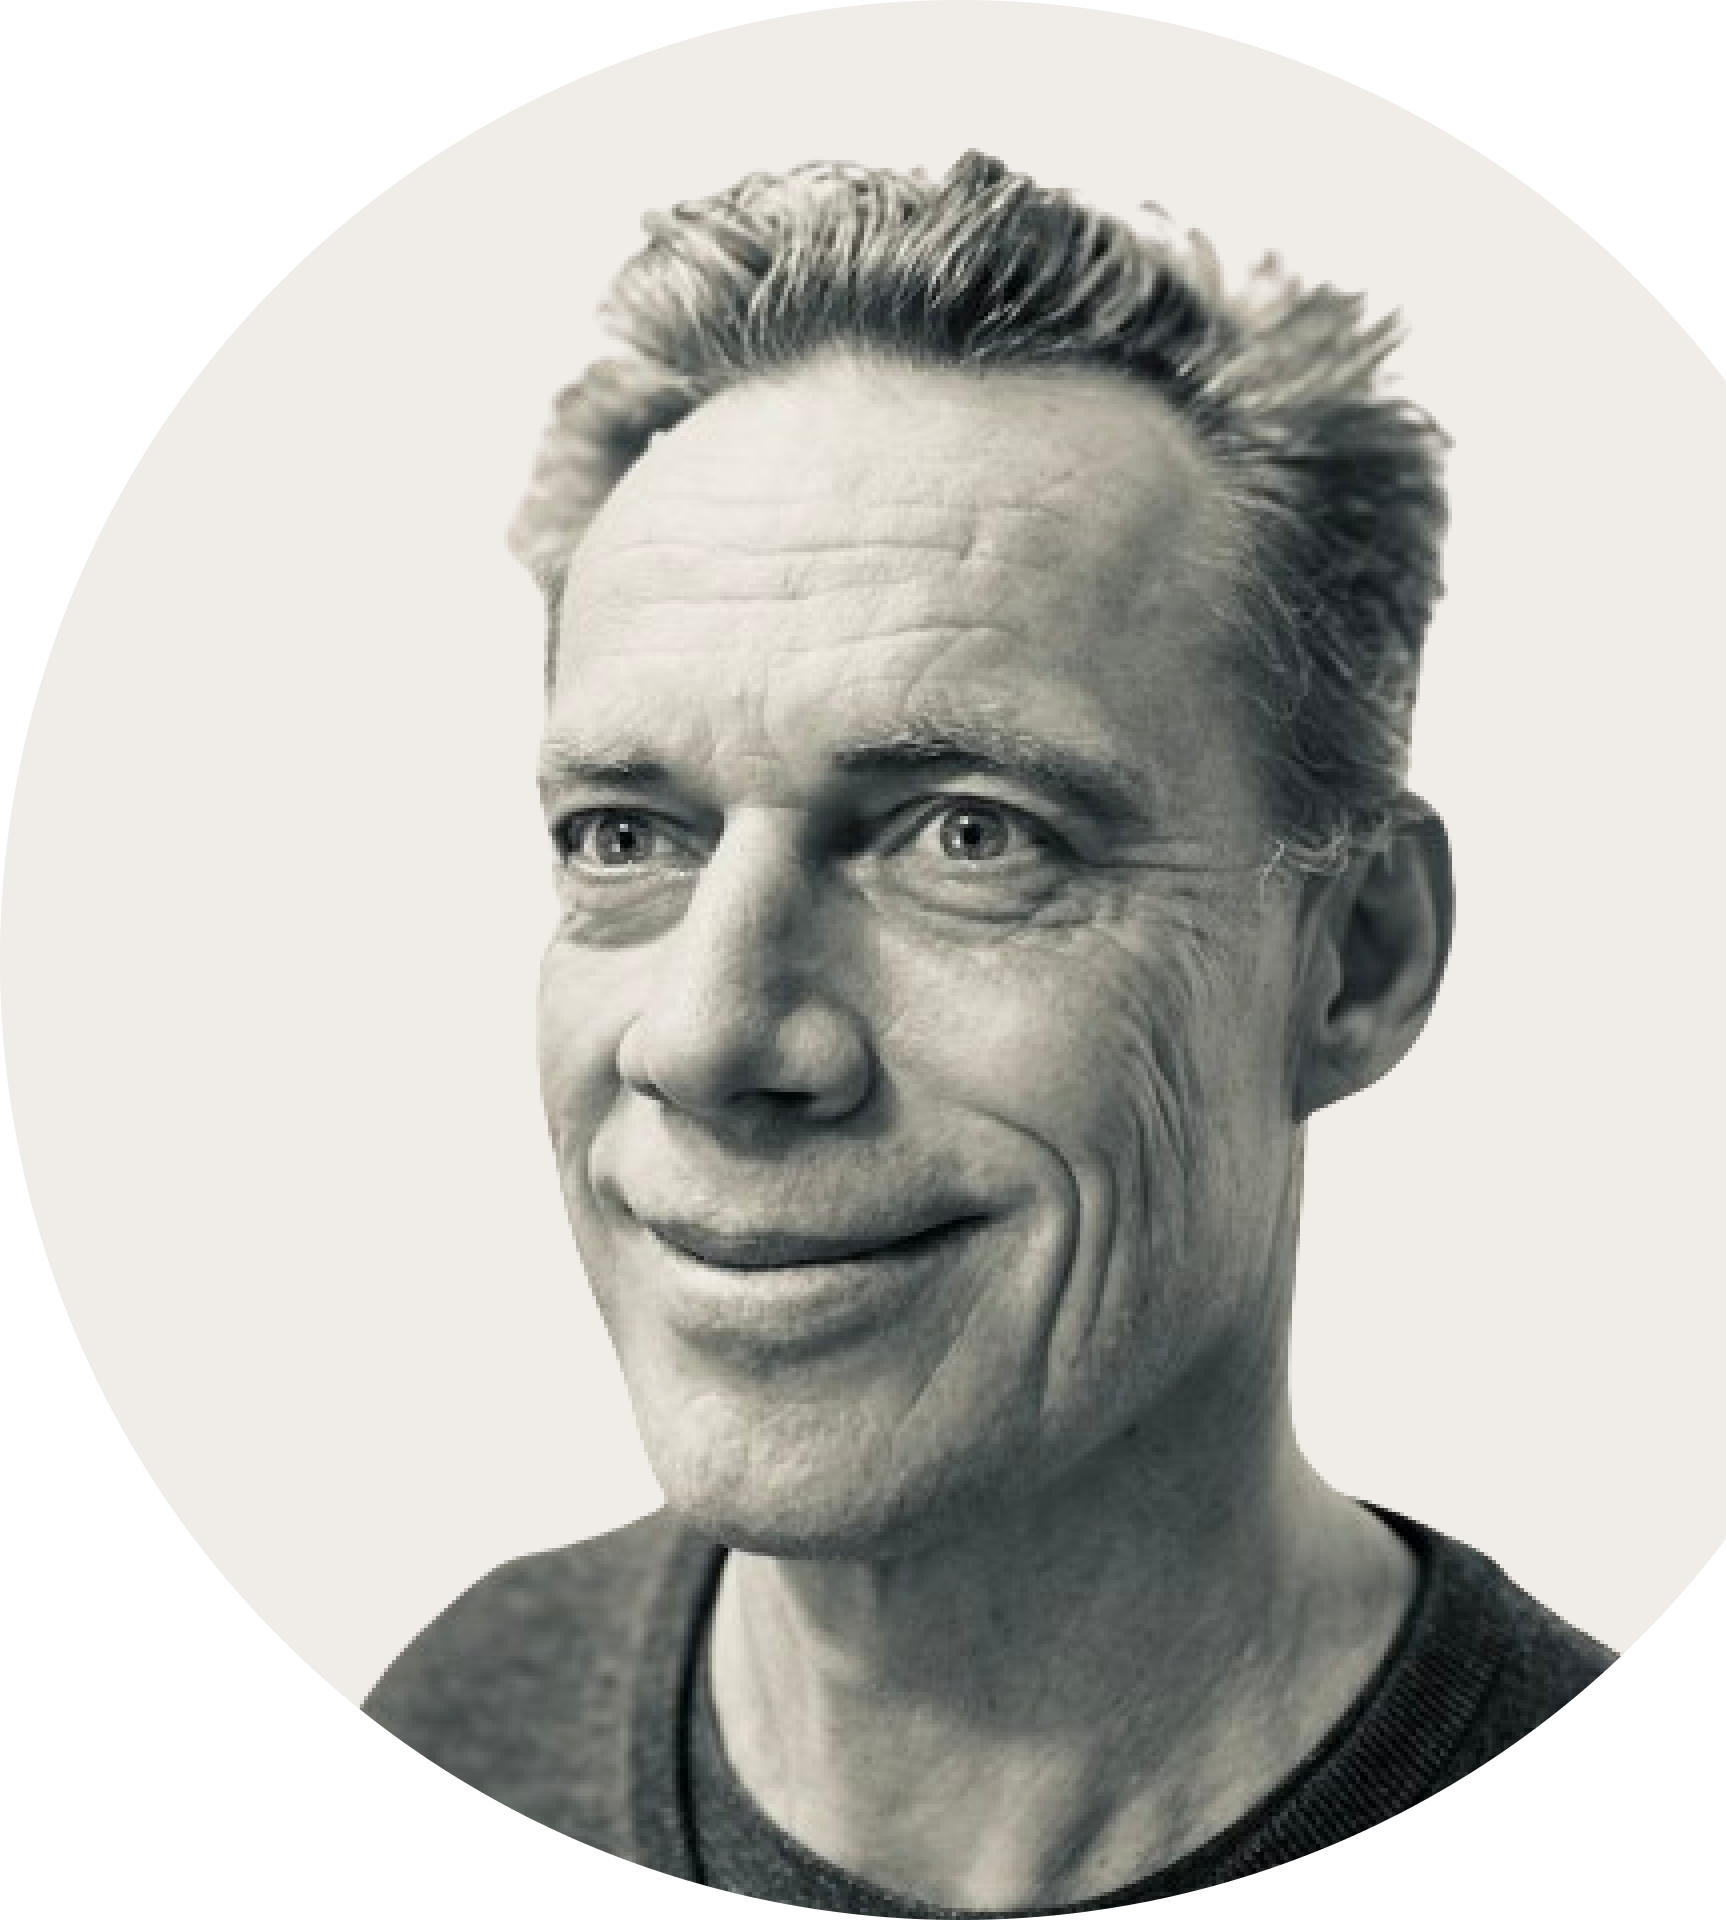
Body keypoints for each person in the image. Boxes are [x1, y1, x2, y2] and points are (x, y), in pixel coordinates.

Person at [365, 151, 1614, 1905]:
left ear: (1358, 959)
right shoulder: (466, 1716)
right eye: (627, 838)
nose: (707, 1038)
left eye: (970, 834)